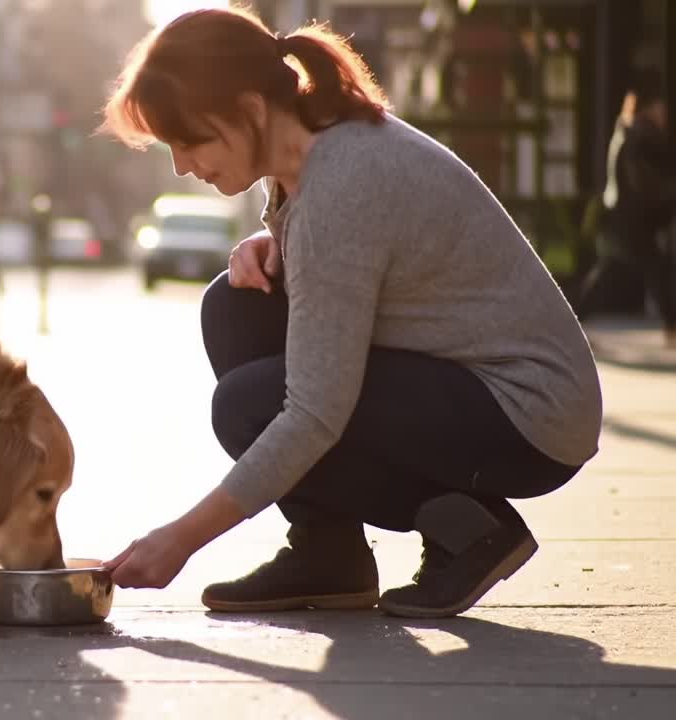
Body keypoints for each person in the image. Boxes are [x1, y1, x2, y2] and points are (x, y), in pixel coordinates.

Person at [98, 8, 603, 619]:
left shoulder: (340, 181)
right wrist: (275, 244)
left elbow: (314, 414)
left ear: (250, 110)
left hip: (528, 413)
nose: (181, 164)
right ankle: (326, 554)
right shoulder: (307, 149)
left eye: (190, 140)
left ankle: (473, 530)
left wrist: (181, 538)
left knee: (249, 405)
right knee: (235, 308)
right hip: (468, 384)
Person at [575, 69, 676, 345]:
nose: (665, 113)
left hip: (622, 216)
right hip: (630, 219)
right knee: (655, 269)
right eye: (661, 107)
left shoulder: (628, 132)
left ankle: (571, 321)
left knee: (610, 272)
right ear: (650, 109)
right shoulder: (638, 136)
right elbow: (642, 180)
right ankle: (672, 328)